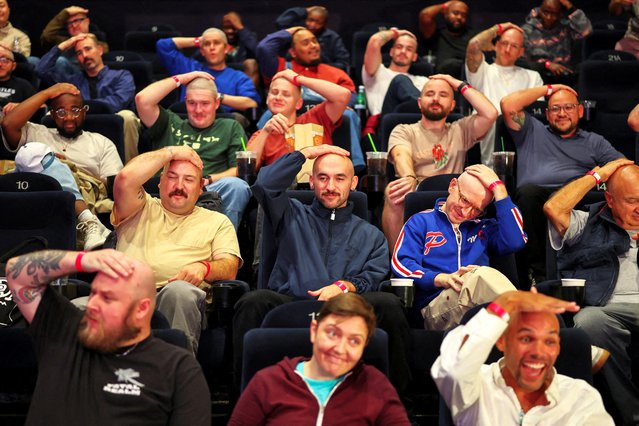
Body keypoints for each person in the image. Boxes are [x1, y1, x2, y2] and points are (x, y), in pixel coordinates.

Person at [233, 144, 411, 393]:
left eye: (340, 178)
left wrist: (345, 286)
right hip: (291, 302)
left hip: (347, 308)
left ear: (354, 182)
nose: (330, 186)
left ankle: (400, 404)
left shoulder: (371, 234)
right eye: (323, 178)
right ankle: (241, 401)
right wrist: (305, 153)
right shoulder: (289, 212)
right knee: (253, 302)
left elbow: (374, 275)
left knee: (389, 305)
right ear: (311, 181)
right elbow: (265, 183)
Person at [5, 248, 211, 425]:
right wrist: (81, 260)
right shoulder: (64, 329)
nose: (92, 304)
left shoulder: (177, 368)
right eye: (93, 293)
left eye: (107, 298)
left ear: (141, 309)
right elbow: (17, 272)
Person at [112, 145, 241, 353]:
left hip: (177, 299)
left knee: (179, 291)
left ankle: (177, 379)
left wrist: (204, 268)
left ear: (200, 188)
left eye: (189, 180)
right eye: (172, 177)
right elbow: (125, 179)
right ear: (161, 182)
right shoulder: (139, 208)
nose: (179, 185)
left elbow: (230, 266)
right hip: (124, 297)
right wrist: (171, 152)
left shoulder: (217, 222)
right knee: (77, 308)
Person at [544, 158, 639, 425]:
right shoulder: (586, 223)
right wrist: (600, 175)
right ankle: (632, 415)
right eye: (631, 200)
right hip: (605, 307)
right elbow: (553, 207)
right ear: (609, 200)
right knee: (588, 323)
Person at [500, 84, 624, 287]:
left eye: (568, 107)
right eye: (556, 109)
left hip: (575, 196)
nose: (562, 113)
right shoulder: (531, 130)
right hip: (534, 197)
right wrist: (548, 88)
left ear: (580, 111)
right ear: (547, 114)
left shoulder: (594, 141)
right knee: (528, 194)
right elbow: (507, 104)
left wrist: (596, 175)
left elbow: (622, 166)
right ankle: (537, 276)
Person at [431, 289, 613, 425]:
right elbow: (451, 369)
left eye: (549, 342)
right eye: (526, 338)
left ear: (558, 348)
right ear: (501, 341)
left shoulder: (580, 397)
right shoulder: (476, 387)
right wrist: (503, 303)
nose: (538, 352)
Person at [229, 293, 410, 425]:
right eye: (332, 334)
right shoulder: (267, 382)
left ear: (365, 345)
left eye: (354, 341)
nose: (340, 349)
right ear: (314, 330)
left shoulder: (376, 386)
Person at [391, 165, 527, 328]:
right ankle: (529, 317)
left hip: (481, 308)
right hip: (434, 308)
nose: (465, 212)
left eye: (477, 209)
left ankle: (524, 326)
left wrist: (499, 189)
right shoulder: (421, 221)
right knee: (480, 275)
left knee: (499, 321)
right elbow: (401, 264)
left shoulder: (482, 227)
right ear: (452, 186)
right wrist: (438, 278)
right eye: (464, 200)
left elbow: (516, 240)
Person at [382, 74, 498, 248]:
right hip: (417, 191)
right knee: (394, 193)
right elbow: (400, 155)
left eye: (443, 95)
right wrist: (409, 177)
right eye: (430, 94)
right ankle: (397, 259)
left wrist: (457, 84)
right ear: (420, 103)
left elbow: (490, 113)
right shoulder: (404, 130)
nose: (436, 99)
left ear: (452, 105)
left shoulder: (461, 129)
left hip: (457, 195)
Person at [2, 83, 121, 250]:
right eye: (61, 112)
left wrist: (65, 166)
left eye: (75, 110)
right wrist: (48, 92)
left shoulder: (101, 142)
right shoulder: (37, 132)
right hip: (34, 194)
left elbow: (114, 185)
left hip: (84, 190)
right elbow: (8, 124)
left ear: (84, 111)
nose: (69, 117)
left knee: (42, 156)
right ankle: (88, 221)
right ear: (51, 113)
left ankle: (86, 219)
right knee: (32, 154)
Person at [135, 71, 251, 230]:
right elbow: (142, 100)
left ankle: (222, 242)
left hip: (209, 192)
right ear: (185, 101)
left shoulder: (230, 127)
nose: (198, 110)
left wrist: (206, 180)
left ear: (216, 103)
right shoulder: (170, 122)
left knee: (237, 186)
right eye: (192, 103)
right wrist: (182, 79)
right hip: (167, 191)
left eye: (205, 103)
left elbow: (240, 169)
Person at [255, 26, 364, 170]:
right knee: (268, 115)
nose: (313, 46)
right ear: (292, 52)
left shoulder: (334, 72)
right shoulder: (281, 66)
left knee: (347, 114)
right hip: (280, 182)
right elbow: (264, 48)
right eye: (306, 43)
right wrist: (294, 30)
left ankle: (355, 166)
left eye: (315, 41)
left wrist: (298, 79)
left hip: (319, 112)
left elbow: (347, 95)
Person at [35, 33, 139, 162]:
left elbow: (117, 103)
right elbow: (41, 70)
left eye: (88, 49)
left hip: (113, 118)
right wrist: (64, 46)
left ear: (100, 50)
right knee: (51, 115)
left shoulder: (122, 75)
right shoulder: (73, 81)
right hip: (81, 123)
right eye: (79, 53)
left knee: (127, 116)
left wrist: (84, 107)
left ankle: (131, 169)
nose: (84, 55)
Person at [465, 23, 544, 165]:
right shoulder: (483, 71)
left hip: (521, 137)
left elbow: (537, 114)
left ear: (521, 52)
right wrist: (499, 28)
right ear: (495, 45)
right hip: (488, 138)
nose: (507, 49)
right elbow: (473, 45)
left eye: (514, 46)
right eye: (504, 43)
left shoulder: (533, 77)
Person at [247, 69, 349, 170]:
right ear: (267, 99)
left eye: (286, 94)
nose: (278, 97)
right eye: (274, 92)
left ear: (299, 103)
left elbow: (343, 96)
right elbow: (246, 168)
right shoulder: (261, 135)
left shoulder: (316, 117)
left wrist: (298, 79)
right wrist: (265, 131)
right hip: (283, 185)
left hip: (322, 183)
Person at [155, 27, 260, 117]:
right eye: (207, 44)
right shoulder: (190, 69)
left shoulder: (238, 77)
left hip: (220, 125)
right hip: (187, 121)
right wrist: (198, 41)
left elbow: (251, 103)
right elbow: (163, 46)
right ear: (202, 51)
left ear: (226, 48)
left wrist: (215, 96)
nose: (212, 47)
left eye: (217, 43)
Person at [362, 28, 429, 116]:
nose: (403, 51)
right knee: (400, 80)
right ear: (391, 51)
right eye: (399, 47)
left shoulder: (423, 81)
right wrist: (394, 33)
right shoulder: (377, 72)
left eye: (409, 49)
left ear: (414, 57)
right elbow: (375, 41)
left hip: (414, 122)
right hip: (387, 122)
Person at [522, 0, 592, 82]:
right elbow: (523, 63)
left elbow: (587, 31)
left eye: (554, 14)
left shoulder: (565, 27)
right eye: (545, 12)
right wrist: (547, 65)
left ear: (560, 14)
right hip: (537, 76)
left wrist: (571, 8)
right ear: (539, 10)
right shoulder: (526, 31)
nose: (549, 17)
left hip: (563, 77)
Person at [274, 5, 350, 71]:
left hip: (323, 76)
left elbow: (343, 63)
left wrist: (320, 67)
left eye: (318, 22)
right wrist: (304, 10)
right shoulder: (298, 32)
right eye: (310, 20)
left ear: (324, 24)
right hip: (296, 71)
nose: (313, 25)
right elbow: (281, 22)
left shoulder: (332, 37)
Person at [418, 1, 473, 77]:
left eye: (463, 15)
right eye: (455, 13)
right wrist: (444, 6)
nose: (459, 17)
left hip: (465, 81)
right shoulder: (436, 34)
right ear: (446, 14)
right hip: (440, 80)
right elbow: (425, 15)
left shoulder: (472, 36)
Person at [221, 11, 260, 89]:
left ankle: (247, 97)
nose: (230, 31)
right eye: (226, 28)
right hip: (221, 78)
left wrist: (240, 27)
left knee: (251, 63)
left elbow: (257, 51)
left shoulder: (246, 40)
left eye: (233, 28)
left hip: (242, 79)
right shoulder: (216, 43)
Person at [0, 45, 35, 112]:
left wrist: (20, 106)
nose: (0, 64)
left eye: (5, 60)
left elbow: (42, 106)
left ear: (13, 66)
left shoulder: (23, 85)